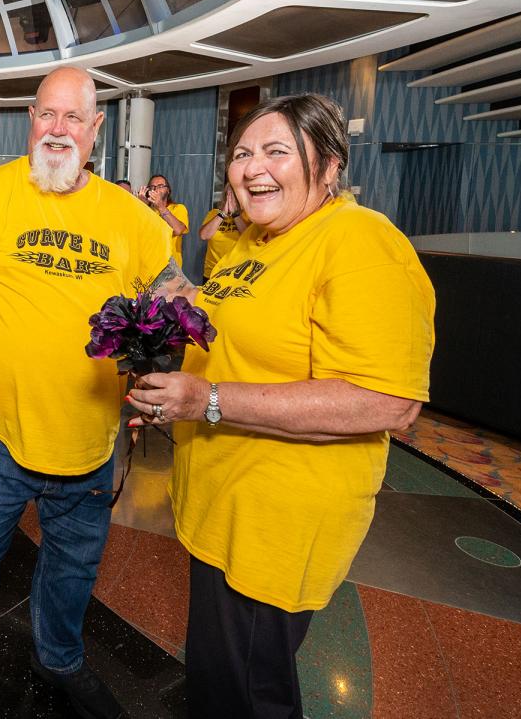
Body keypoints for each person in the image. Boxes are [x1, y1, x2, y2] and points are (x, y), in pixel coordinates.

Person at [125, 94, 435, 718]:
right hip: (223, 504)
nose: (253, 168)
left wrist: (207, 399)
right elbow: (224, 335)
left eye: (276, 151)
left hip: (277, 523)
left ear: (330, 163)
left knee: (246, 693)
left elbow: (385, 401)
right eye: (242, 153)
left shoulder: (361, 241)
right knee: (219, 679)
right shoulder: (252, 242)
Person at [0, 66, 180, 719]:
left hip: (89, 444)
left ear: (96, 128)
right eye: (47, 114)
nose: (58, 129)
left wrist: (159, 368)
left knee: (72, 569)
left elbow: (179, 307)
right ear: (30, 120)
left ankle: (59, 658)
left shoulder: (134, 219)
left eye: (73, 117)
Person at [197, 185, 249, 281]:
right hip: (212, 272)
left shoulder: (247, 215)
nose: (231, 197)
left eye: (234, 193)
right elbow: (204, 236)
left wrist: (235, 214)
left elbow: (248, 237)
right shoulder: (214, 213)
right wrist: (222, 214)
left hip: (237, 273)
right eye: (229, 194)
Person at [143, 174, 190, 269]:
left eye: (160, 186)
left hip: (170, 268)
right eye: (152, 187)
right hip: (148, 266)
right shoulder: (146, 210)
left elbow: (178, 230)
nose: (156, 189)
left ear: (168, 190)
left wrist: (160, 206)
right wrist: (140, 205)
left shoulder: (178, 208)